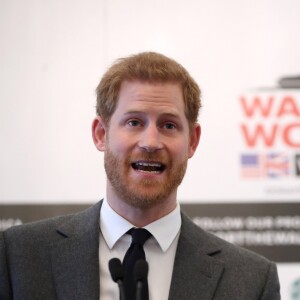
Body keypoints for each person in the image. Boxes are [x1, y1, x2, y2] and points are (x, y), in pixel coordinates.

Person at [0, 52, 280, 300]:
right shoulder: (18, 256)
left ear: (192, 141)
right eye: (134, 122)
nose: (150, 142)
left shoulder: (251, 280)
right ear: (101, 134)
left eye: (168, 125)